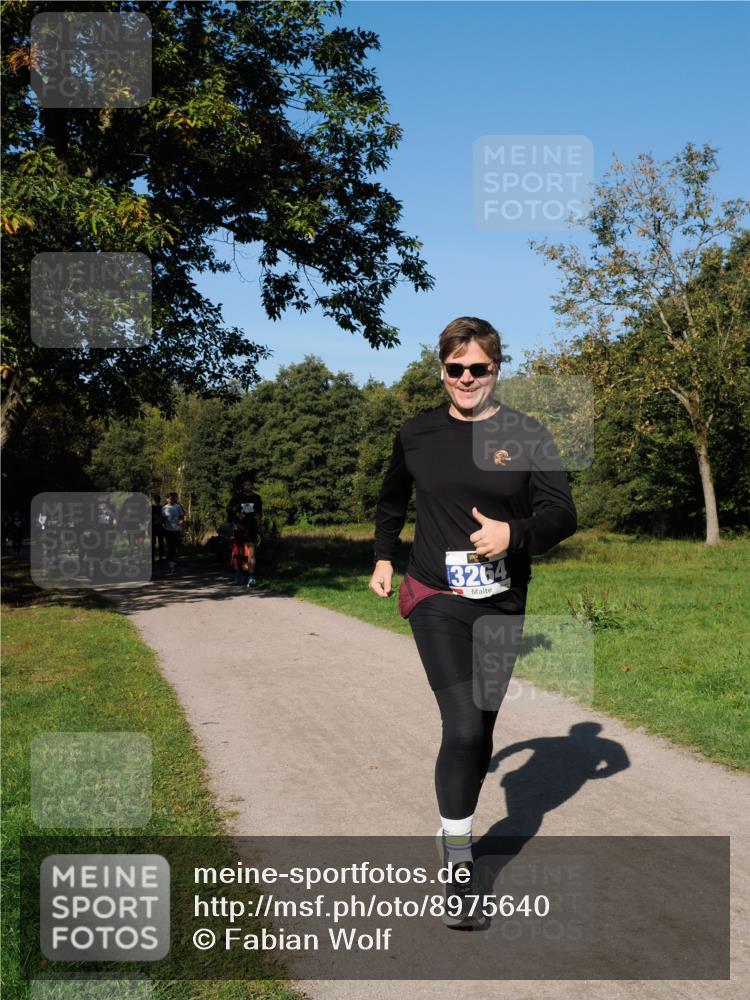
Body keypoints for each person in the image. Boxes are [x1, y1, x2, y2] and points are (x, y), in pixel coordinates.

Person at [370, 316, 577, 929]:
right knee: (461, 724)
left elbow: (562, 514)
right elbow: (390, 499)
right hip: (435, 593)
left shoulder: (526, 433)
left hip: (502, 602)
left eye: (478, 368)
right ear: (442, 371)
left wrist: (515, 533)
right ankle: (458, 866)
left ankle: (454, 826)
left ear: (495, 370)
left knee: (481, 729)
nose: (466, 378)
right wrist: (384, 553)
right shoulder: (417, 434)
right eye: (456, 368)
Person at [226, 475, 262, 587]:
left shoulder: (257, 497)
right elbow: (228, 508)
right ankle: (239, 575)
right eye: (245, 485)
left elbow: (259, 511)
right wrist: (236, 514)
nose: (247, 486)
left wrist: (258, 516)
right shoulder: (237, 497)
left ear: (252, 486)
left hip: (252, 527)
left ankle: (251, 578)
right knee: (240, 553)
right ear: (242, 486)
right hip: (240, 527)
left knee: (252, 553)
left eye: (249, 485)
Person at [161, 491, 185, 574]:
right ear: (166, 499)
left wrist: (181, 525)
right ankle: (171, 562)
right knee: (170, 545)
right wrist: (163, 521)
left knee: (174, 546)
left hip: (176, 529)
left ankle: (171, 560)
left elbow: (181, 517)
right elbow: (162, 519)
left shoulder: (177, 507)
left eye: (172, 498)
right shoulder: (164, 508)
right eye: (169, 498)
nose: (171, 500)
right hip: (167, 530)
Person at [151, 493, 166, 563]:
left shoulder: (162, 507)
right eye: (156, 500)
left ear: (160, 500)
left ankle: (160, 558)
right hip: (152, 527)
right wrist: (154, 517)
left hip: (160, 527)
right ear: (154, 500)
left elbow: (164, 517)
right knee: (152, 544)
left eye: (158, 499)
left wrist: (161, 519)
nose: (157, 501)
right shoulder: (151, 507)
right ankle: (152, 559)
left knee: (161, 543)